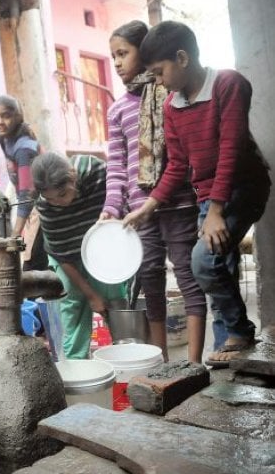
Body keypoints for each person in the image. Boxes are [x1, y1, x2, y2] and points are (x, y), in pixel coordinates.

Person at [124, 21, 271, 368]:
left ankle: (239, 329)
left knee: (203, 262)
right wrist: (149, 206)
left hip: (242, 188)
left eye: (160, 72)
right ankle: (227, 354)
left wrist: (216, 210)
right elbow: (177, 165)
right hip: (210, 196)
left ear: (182, 58)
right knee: (222, 265)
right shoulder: (172, 106)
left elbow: (231, 149)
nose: (159, 81)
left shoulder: (228, 84)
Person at [102, 20, 207, 363]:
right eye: (112, 56)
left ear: (144, 51)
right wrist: (111, 207)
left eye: (123, 53)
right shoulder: (117, 110)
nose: (116, 62)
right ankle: (160, 361)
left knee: (187, 275)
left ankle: (193, 364)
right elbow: (116, 166)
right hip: (138, 208)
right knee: (150, 280)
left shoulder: (171, 94)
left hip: (178, 203)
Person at [32, 153, 126, 359]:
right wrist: (91, 296)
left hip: (101, 249)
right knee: (74, 301)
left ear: (72, 176)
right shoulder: (45, 206)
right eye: (51, 199)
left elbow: (120, 195)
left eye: (63, 194)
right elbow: (63, 256)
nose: (59, 203)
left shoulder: (97, 172)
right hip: (67, 257)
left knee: (113, 298)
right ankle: (76, 363)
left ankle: (125, 352)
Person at [0, 95, 46, 270]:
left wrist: (16, 234)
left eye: (6, 116)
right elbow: (17, 179)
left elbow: (27, 193)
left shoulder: (24, 148)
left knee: (32, 265)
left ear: (18, 116)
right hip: (30, 206)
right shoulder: (5, 138)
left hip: (43, 207)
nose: (0, 122)